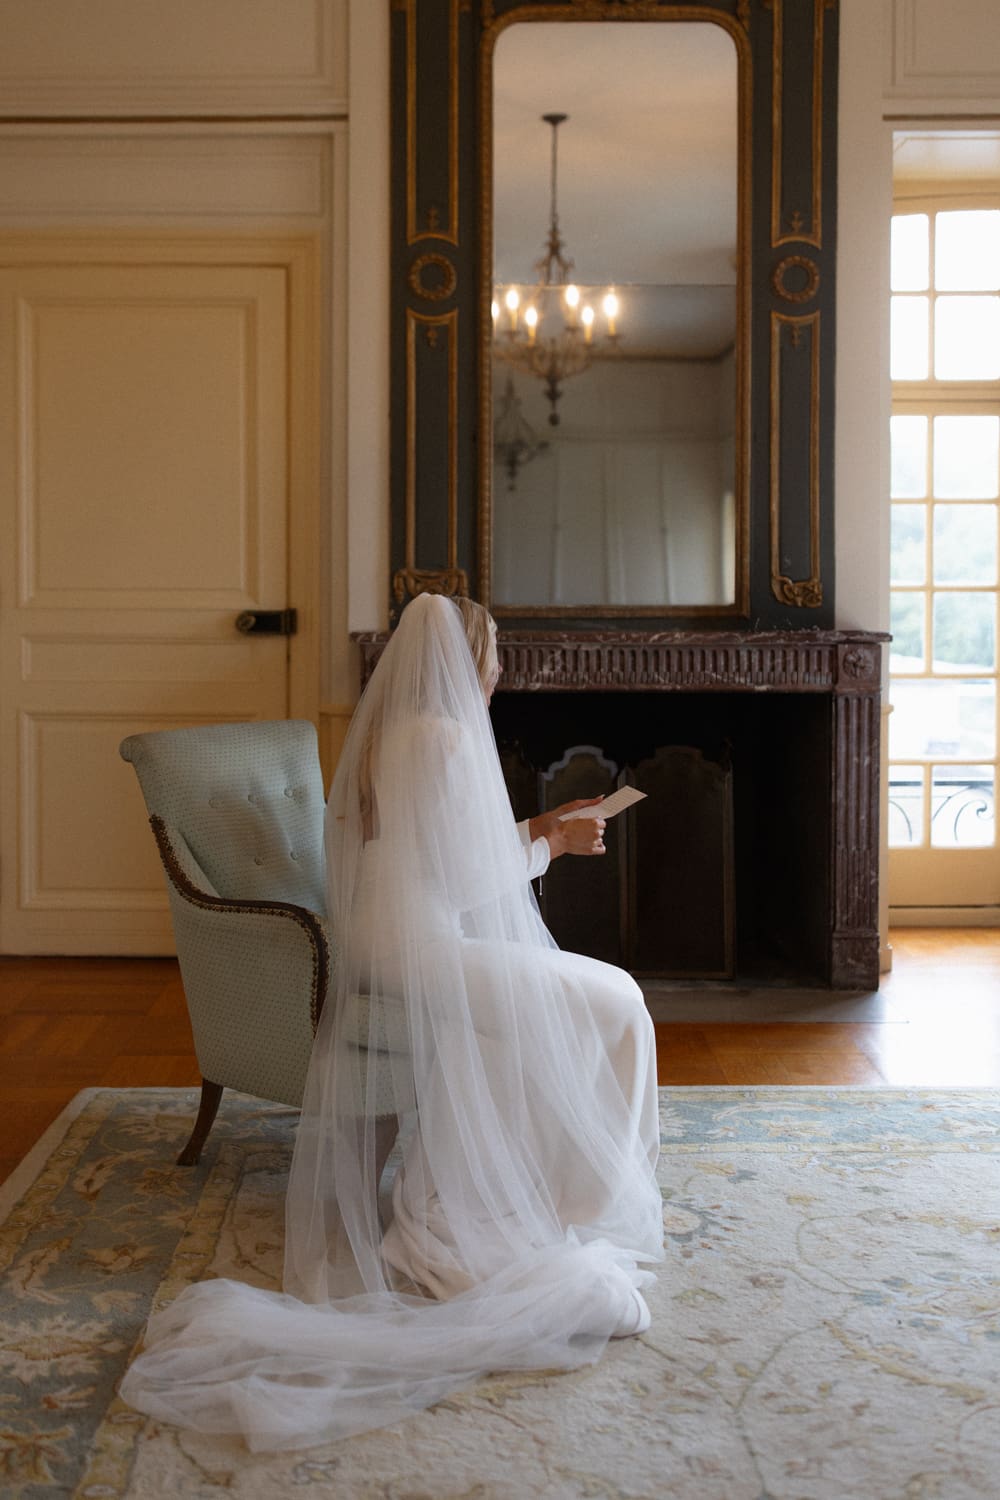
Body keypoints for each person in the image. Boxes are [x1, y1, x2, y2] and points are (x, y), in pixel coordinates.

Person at [119, 592, 663, 1452]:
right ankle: (581, 1199)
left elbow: (441, 854)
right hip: (421, 946)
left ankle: (531, 1186)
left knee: (558, 1008)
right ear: (467, 661)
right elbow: (473, 878)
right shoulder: (446, 739)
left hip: (383, 938)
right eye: (493, 659)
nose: (498, 675)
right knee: (616, 1000)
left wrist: (545, 829)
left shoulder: (392, 736)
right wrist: (555, 846)